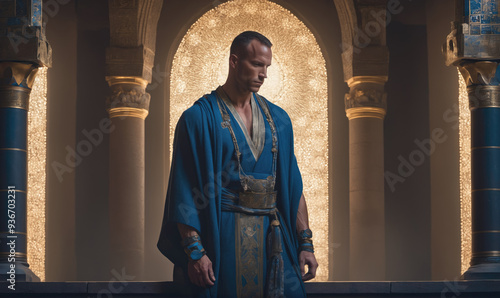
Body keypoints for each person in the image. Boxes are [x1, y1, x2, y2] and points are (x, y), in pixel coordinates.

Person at [157, 31, 318, 298]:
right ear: (234, 61)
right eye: (256, 64)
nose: (263, 73)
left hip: (273, 239)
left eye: (266, 66)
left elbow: (292, 186)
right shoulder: (198, 118)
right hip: (221, 236)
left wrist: (306, 243)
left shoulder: (279, 120)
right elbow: (183, 192)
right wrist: (195, 252)